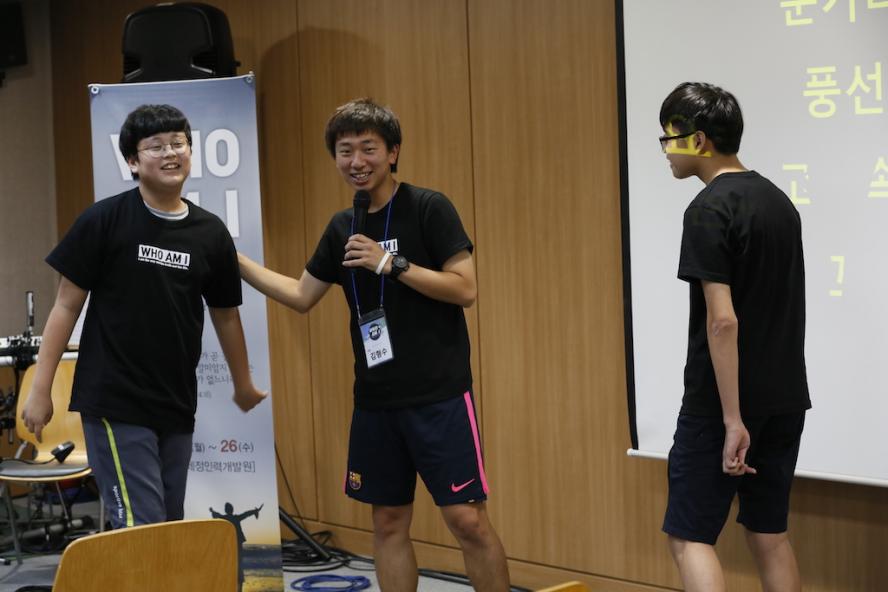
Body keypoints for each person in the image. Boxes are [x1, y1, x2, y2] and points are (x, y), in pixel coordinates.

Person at [238, 98, 510, 591]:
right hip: (376, 401)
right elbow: (300, 296)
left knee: (467, 521)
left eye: (368, 148)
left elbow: (465, 288)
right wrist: (234, 259)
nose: (356, 161)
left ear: (392, 153)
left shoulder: (428, 207)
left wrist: (391, 264)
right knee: (387, 523)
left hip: (439, 397)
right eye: (345, 151)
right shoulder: (343, 227)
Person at [22, 104, 266, 530]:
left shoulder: (210, 233)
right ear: (133, 162)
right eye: (156, 146)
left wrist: (242, 383)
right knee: (142, 527)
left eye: (178, 143)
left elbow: (226, 315)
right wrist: (41, 390)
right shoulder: (104, 219)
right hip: (115, 400)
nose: (170, 153)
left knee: (167, 525)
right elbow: (65, 306)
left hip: (175, 402)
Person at [658, 82, 811, 592]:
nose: (666, 150)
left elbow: (722, 321)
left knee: (689, 537)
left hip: (722, 406)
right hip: (785, 398)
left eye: (669, 138)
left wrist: (732, 420)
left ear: (699, 140)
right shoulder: (779, 203)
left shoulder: (707, 209)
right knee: (770, 535)